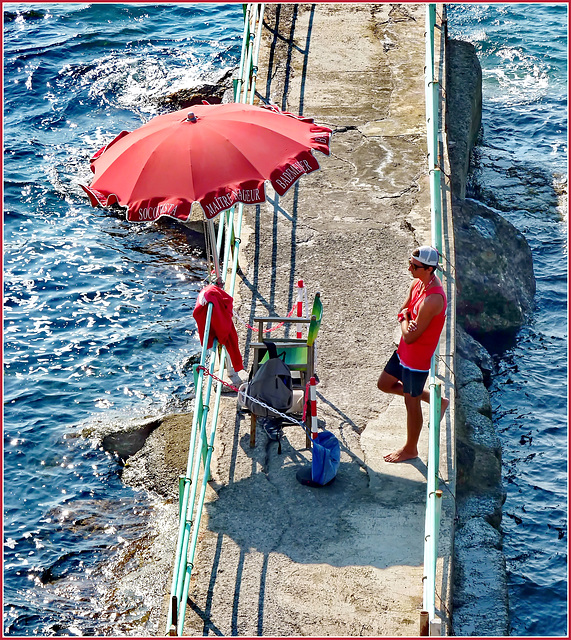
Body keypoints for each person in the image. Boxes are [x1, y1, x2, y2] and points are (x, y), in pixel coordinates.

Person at [377, 246, 449, 463]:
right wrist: (405, 319)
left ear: (428, 269)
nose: (409, 268)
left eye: (414, 266)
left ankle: (410, 449)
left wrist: (404, 319)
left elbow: (410, 335)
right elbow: (404, 309)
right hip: (403, 351)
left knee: (411, 403)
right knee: (384, 384)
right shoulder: (417, 284)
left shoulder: (433, 300)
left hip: (416, 359)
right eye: (410, 263)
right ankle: (435, 400)